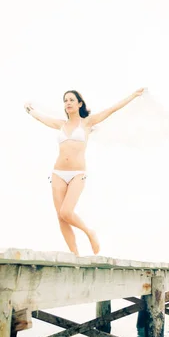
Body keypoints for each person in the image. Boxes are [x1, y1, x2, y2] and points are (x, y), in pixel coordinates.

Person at [24, 88, 145, 256]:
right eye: (65, 100)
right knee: (61, 217)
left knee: (67, 212)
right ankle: (75, 256)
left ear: (79, 103)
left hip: (77, 174)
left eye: (71, 100)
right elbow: (41, 118)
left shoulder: (87, 123)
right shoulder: (61, 124)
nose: (68, 103)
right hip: (58, 173)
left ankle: (89, 232)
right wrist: (30, 109)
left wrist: (133, 95)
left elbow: (111, 109)